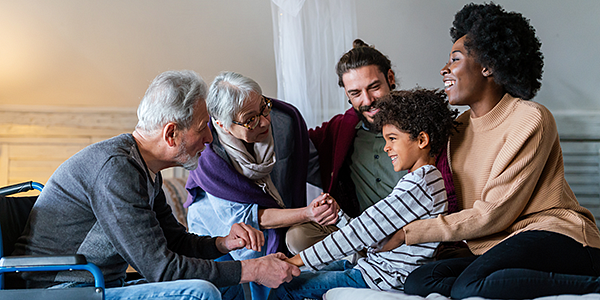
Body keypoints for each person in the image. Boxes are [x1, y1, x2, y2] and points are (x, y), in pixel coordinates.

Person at [375, 3, 600, 299]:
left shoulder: (530, 118)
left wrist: (409, 233)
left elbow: (494, 213)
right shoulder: (456, 130)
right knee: (419, 281)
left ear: (488, 66)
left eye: (455, 59)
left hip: (553, 234)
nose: (444, 69)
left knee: (468, 287)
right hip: (496, 244)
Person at [13, 70, 300, 300]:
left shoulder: (143, 168)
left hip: (102, 283)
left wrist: (222, 243)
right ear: (172, 133)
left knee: (228, 284)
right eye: (202, 129)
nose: (209, 140)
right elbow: (161, 269)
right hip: (60, 291)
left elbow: (174, 242)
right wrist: (250, 268)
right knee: (199, 292)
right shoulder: (116, 170)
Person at [273, 88, 459, 300]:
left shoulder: (420, 184)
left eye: (392, 139)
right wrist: (339, 216)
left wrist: (294, 260)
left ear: (422, 140)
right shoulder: (424, 180)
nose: (387, 147)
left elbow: (361, 233)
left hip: (383, 277)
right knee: (302, 273)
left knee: (286, 286)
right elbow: (374, 235)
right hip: (374, 267)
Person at [285, 39, 459, 255]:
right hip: (363, 232)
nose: (367, 100)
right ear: (347, 95)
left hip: (415, 234)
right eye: (355, 93)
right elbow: (291, 140)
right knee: (297, 236)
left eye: (374, 87)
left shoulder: (421, 122)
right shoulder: (341, 129)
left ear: (391, 78)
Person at [184, 71, 339, 299]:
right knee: (241, 283)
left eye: (264, 107)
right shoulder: (208, 155)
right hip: (216, 229)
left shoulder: (284, 120)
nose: (265, 121)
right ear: (222, 125)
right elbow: (248, 217)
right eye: (250, 119)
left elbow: (312, 166)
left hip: (273, 224)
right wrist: (308, 213)